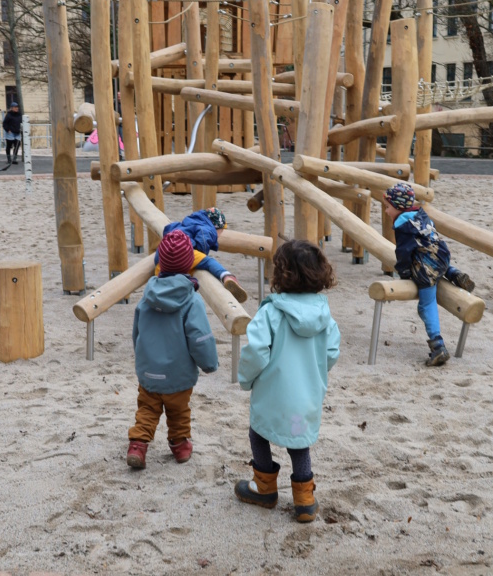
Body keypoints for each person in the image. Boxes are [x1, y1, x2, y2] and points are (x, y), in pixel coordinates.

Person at [234, 240, 340, 522]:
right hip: (305, 396)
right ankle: (305, 498)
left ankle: (264, 488)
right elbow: (331, 352)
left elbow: (256, 352)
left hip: (272, 393)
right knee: (298, 441)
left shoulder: (271, 312)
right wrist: (316, 372)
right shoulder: (324, 316)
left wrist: (245, 379)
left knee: (258, 433)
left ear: (281, 274)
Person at [128, 230, 219, 469]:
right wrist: (209, 364)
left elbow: (137, 332)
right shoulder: (190, 299)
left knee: (147, 410)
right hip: (178, 376)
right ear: (189, 264)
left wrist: (142, 360)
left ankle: (137, 445)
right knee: (179, 413)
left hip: (148, 373)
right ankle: (180, 447)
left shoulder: (147, 296)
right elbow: (199, 338)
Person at [382, 183, 475, 367]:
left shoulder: (403, 225)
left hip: (427, 267)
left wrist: (405, 272)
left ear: (398, 206)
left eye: (388, 207)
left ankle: (438, 346)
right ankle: (455, 274)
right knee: (433, 260)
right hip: (442, 256)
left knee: (426, 305)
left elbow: (403, 253)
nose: (386, 211)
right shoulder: (420, 214)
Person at [153, 207, 248, 303]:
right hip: (184, 251)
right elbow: (203, 239)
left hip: (162, 255)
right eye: (221, 231)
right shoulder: (208, 229)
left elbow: (168, 229)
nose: (220, 235)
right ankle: (226, 276)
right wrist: (202, 252)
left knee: (163, 281)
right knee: (208, 261)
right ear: (216, 227)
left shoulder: (187, 223)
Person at [2, 101, 23, 165]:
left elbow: (21, 122)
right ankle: (9, 159)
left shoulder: (19, 115)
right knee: (9, 146)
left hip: (17, 132)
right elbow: (4, 123)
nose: (17, 108)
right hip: (10, 132)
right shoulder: (9, 115)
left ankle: (14, 159)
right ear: (12, 108)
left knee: (17, 145)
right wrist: (8, 129)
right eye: (15, 107)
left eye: (17, 107)